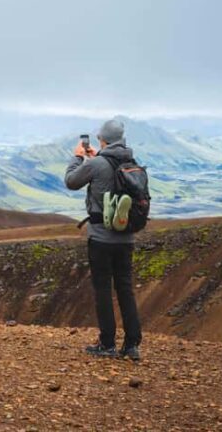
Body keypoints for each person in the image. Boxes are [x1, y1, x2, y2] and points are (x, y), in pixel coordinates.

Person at [65, 119, 143, 361]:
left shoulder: (96, 163)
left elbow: (71, 181)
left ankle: (107, 343)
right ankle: (131, 345)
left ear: (102, 139)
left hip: (100, 237)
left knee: (103, 290)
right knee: (125, 289)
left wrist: (78, 157)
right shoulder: (131, 162)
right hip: (126, 237)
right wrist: (96, 155)